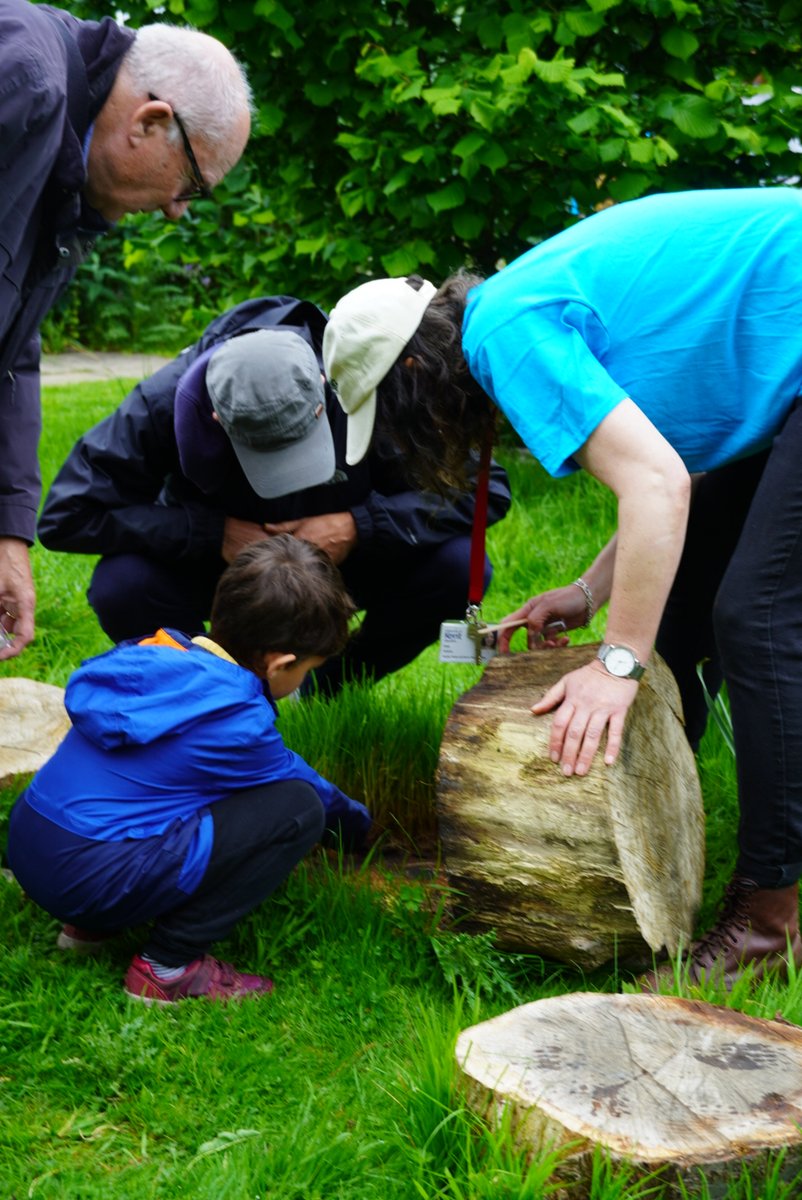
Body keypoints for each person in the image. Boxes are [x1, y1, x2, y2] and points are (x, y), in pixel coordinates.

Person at [321, 186, 802, 987]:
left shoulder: (505, 336)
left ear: (413, 371)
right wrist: (588, 592)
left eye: (397, 414)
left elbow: (656, 487)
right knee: (686, 608)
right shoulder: (511, 310)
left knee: (757, 618)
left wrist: (616, 664)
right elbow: (677, 470)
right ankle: (651, 834)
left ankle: (767, 924)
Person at [37, 296, 511, 696]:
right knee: (122, 585)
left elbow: (486, 488)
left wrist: (360, 526)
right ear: (216, 417)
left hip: (344, 560)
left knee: (457, 566)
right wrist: (211, 533)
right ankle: (212, 694)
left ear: (323, 391)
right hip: (224, 571)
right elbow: (67, 516)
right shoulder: (160, 404)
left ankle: (327, 686)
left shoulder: (363, 377)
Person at [6, 534, 371, 1004]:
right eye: (307, 670)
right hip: (89, 878)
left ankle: (89, 927)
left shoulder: (155, 653)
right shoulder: (235, 720)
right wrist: (360, 828)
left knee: (156, 791)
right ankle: (168, 966)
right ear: (280, 664)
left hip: (31, 846)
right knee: (297, 808)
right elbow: (307, 787)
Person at [0, 0, 253, 661]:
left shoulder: (73, 181)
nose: (176, 211)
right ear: (150, 121)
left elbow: (12, 352)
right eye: (192, 184)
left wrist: (7, 531)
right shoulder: (22, 82)